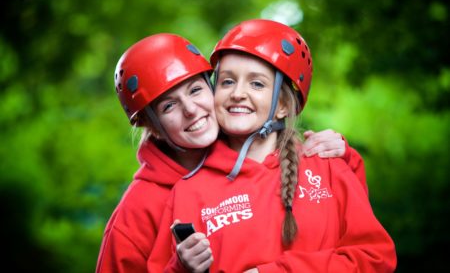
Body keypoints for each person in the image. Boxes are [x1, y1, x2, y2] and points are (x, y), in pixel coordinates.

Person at [147, 19, 396, 272]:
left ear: (283, 106)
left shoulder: (327, 167)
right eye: (227, 81)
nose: (237, 93)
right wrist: (181, 268)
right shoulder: (189, 192)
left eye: (257, 83)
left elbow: (376, 259)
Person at [95, 33, 356, 273]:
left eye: (196, 90)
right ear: (154, 127)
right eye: (169, 106)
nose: (191, 110)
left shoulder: (249, 157)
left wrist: (342, 156)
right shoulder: (137, 211)